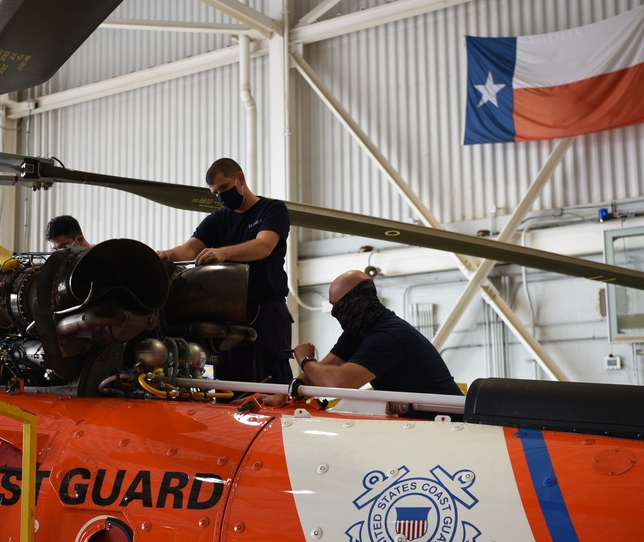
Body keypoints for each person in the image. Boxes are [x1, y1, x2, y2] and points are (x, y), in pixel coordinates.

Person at [156, 157, 293, 385]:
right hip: (227, 320)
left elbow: (264, 245)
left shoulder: (272, 209)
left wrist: (223, 253)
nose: (221, 196)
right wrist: (167, 255)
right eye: (215, 192)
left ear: (240, 178)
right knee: (229, 387)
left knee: (271, 385)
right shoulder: (217, 219)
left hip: (266, 313)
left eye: (224, 188)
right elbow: (190, 248)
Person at [292, 270, 462, 417]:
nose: (335, 313)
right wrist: (289, 392)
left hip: (447, 423)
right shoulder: (358, 331)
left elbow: (338, 382)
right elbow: (324, 369)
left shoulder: (388, 335)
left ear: (355, 303)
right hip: (418, 421)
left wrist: (305, 360)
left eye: (337, 306)